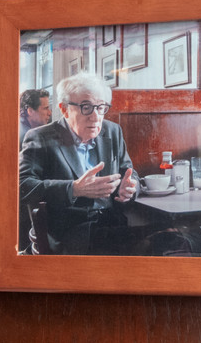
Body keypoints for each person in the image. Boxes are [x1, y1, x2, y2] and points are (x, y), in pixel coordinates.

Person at [19, 72, 140, 254]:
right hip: (65, 234)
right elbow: (22, 186)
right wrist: (73, 188)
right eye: (86, 107)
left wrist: (131, 188)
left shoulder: (112, 131)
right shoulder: (39, 137)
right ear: (64, 109)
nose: (95, 116)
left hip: (111, 226)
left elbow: (129, 172)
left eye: (100, 107)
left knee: (169, 240)